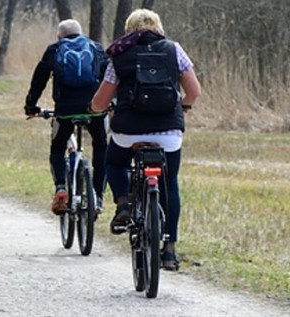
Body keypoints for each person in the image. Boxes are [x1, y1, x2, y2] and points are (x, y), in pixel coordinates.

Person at [88, 9, 202, 270]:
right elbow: (194, 92)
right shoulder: (174, 50)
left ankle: (123, 203)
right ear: (158, 27)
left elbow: (101, 101)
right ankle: (170, 250)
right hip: (169, 134)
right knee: (169, 184)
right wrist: (182, 106)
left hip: (128, 131)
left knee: (114, 163)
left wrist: (95, 109)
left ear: (129, 29)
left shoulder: (119, 54)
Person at [24, 19, 109, 215]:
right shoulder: (96, 48)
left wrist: (31, 106)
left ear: (59, 36)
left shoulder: (55, 49)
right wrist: (111, 103)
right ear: (81, 33)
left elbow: (39, 79)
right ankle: (97, 195)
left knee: (58, 146)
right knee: (101, 145)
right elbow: (110, 77)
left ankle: (61, 187)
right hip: (95, 109)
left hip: (65, 110)